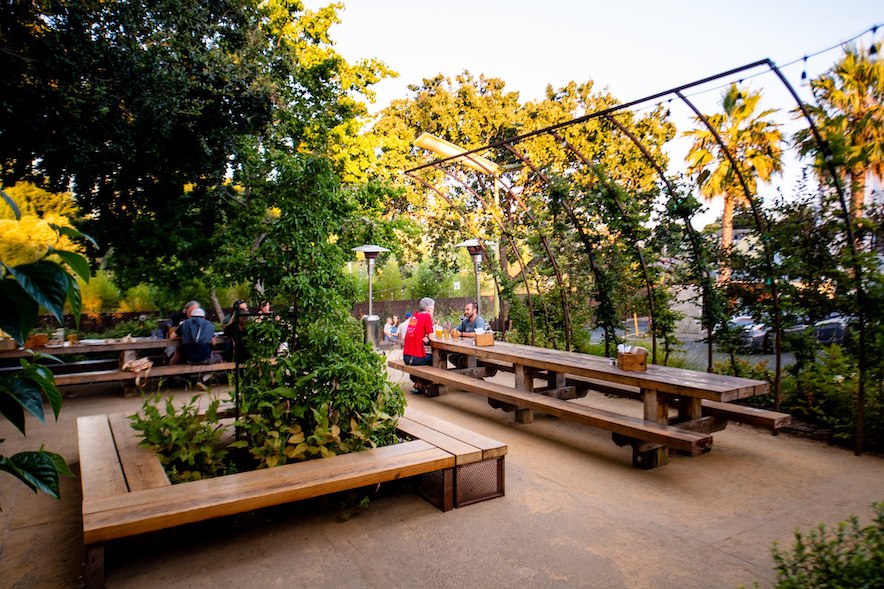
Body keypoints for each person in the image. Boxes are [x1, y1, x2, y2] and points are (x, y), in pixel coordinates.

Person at [402, 297, 435, 394]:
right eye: (433, 310)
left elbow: (417, 333)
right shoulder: (427, 317)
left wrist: (426, 338)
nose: (433, 312)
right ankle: (425, 384)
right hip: (414, 358)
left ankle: (418, 381)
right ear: (429, 310)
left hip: (406, 357)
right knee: (436, 359)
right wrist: (429, 338)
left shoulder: (414, 316)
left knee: (429, 357)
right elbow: (432, 337)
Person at [449, 301, 487, 369]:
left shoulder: (479, 321)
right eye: (465, 310)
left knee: (462, 360)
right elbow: (457, 330)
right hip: (465, 349)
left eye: (468, 309)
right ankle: (467, 375)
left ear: (474, 310)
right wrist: (454, 331)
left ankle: (469, 375)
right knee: (452, 357)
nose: (465, 311)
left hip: (477, 350)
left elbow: (478, 334)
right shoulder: (465, 321)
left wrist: (461, 334)